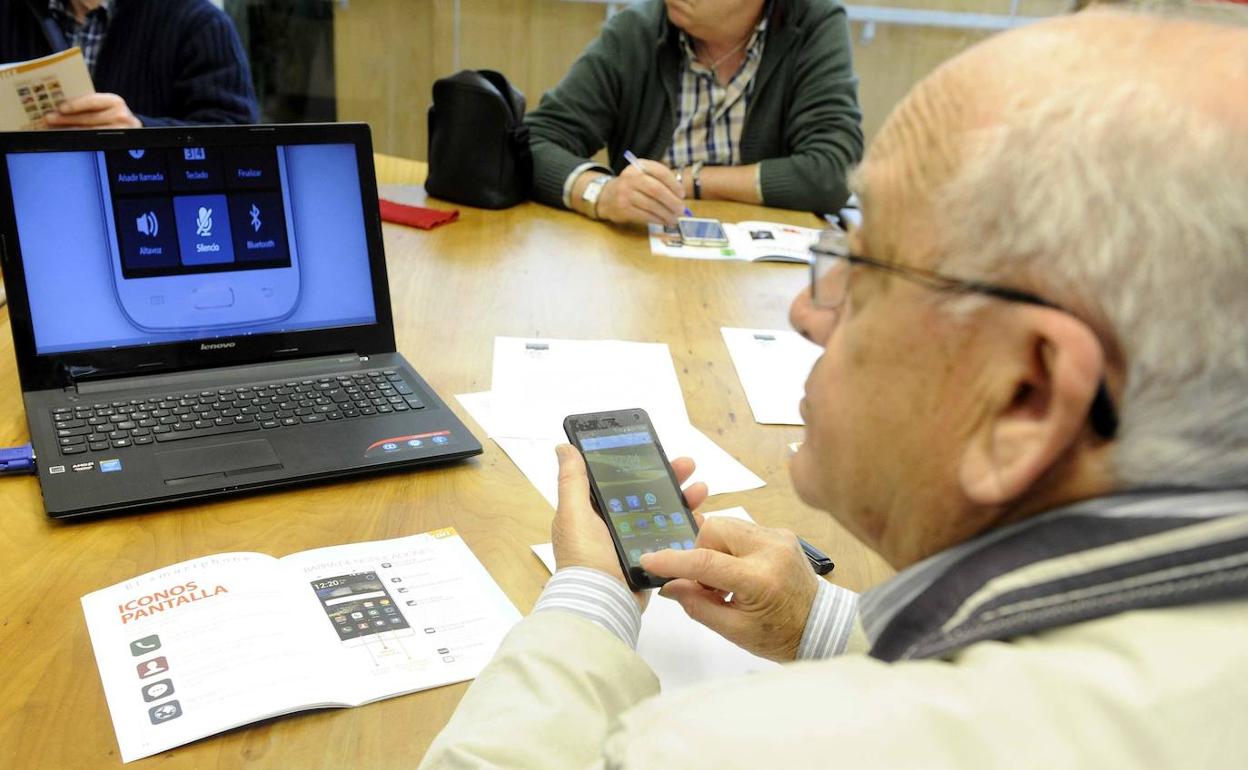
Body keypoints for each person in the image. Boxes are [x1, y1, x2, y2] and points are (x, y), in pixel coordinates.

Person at [421, 5, 1248, 768]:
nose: (806, 311)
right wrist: (822, 624)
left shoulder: (717, 748)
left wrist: (591, 603)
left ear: (1024, 399)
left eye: (865, 260)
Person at [525, 0, 863, 226]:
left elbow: (834, 171)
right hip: (641, 263)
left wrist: (689, 181)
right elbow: (534, 142)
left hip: (763, 280)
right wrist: (600, 193)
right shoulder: (638, 30)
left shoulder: (811, 24)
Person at [0, 0, 258, 128]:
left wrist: (138, 133)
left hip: (144, 210)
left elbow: (239, 142)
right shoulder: (10, 13)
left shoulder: (199, 23)